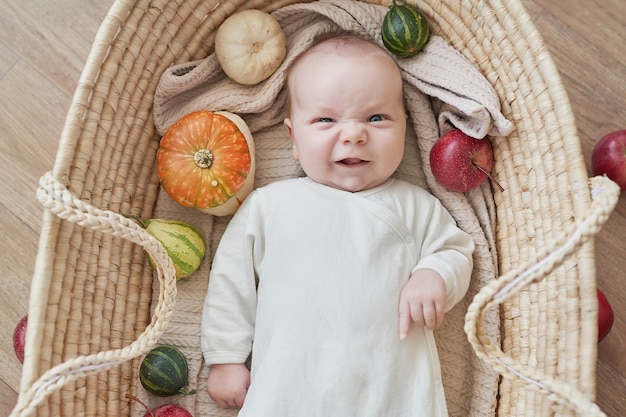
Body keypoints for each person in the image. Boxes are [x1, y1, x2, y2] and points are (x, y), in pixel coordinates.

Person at [200, 34, 474, 416]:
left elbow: (455, 249)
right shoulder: (271, 205)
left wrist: (434, 275)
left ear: (405, 129)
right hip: (290, 390)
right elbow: (232, 277)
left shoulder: (416, 207)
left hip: (391, 393)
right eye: (326, 120)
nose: (354, 134)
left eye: (376, 118)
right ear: (294, 139)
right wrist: (226, 357)